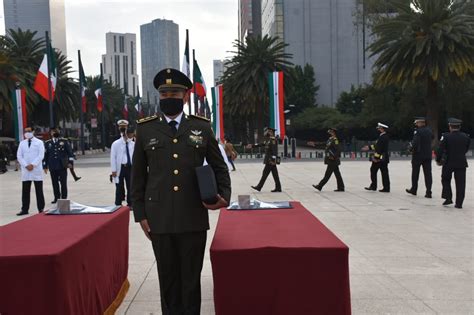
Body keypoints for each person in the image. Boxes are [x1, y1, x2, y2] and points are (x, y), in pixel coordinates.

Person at [131, 68, 231, 315]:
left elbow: (219, 166)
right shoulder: (146, 129)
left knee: (190, 279)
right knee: (168, 279)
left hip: (192, 216)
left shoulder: (201, 127)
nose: (169, 97)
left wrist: (224, 197)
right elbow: (138, 176)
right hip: (159, 218)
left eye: (174, 92)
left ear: (185, 96)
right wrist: (140, 214)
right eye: (164, 94)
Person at [436, 118, 470, 209]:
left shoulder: (446, 136)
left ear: (450, 126)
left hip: (448, 162)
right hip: (461, 163)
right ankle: (459, 204)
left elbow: (440, 150)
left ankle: (448, 197)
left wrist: (438, 160)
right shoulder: (465, 136)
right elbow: (466, 148)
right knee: (461, 184)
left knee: (445, 179)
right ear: (459, 127)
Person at [16, 127, 46, 216]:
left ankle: (41, 208)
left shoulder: (39, 142)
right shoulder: (22, 143)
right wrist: (26, 165)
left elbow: (41, 155)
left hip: (36, 169)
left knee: (39, 190)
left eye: (29, 131)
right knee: (25, 190)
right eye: (26, 131)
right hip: (26, 170)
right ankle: (24, 209)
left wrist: (33, 165)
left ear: (33, 131)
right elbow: (19, 156)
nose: (27, 133)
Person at [43, 127, 74, 203]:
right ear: (51, 133)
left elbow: (70, 153)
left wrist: (70, 163)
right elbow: (45, 155)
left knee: (63, 183)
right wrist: (45, 166)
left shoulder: (64, 141)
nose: (54, 133)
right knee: (54, 183)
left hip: (62, 166)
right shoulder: (47, 143)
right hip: (52, 166)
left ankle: (64, 198)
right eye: (53, 132)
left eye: (56, 131)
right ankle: (56, 198)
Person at [310, 127, 345, 192]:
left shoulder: (335, 140)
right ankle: (341, 187)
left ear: (334, 132)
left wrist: (333, 157)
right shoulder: (330, 139)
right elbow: (324, 144)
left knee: (327, 174)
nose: (329, 132)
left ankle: (320, 186)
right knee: (337, 174)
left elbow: (338, 150)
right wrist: (315, 144)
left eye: (331, 131)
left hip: (333, 160)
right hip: (331, 159)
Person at [248, 127, 282, 192]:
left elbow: (275, 151)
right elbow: (261, 144)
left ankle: (259, 187)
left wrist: (273, 161)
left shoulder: (273, 140)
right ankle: (278, 187)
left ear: (271, 132)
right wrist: (252, 145)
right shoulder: (268, 140)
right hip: (269, 160)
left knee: (265, 173)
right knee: (275, 174)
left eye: (268, 131)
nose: (267, 132)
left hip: (270, 160)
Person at [406, 117, 433, 198]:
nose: (416, 124)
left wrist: (411, 149)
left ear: (421, 123)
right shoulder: (429, 130)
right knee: (428, 174)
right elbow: (433, 137)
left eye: (417, 123)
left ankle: (414, 189)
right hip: (428, 154)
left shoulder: (417, 131)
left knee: (415, 173)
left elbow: (415, 142)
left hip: (418, 155)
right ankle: (428, 191)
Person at [111, 120, 135, 207]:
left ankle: (130, 203)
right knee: (119, 186)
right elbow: (113, 158)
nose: (123, 130)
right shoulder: (116, 143)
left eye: (124, 128)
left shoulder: (132, 144)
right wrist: (113, 170)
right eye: (121, 128)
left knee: (130, 186)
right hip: (120, 168)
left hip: (130, 167)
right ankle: (118, 203)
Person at [362, 122, 390, 192]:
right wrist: (368, 147)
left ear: (382, 129)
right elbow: (376, 146)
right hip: (382, 158)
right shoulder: (382, 136)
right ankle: (385, 187)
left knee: (375, 171)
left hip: (380, 158)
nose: (378, 129)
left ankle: (375, 186)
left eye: (379, 128)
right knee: (383, 172)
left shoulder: (383, 137)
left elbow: (380, 149)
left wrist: (376, 158)